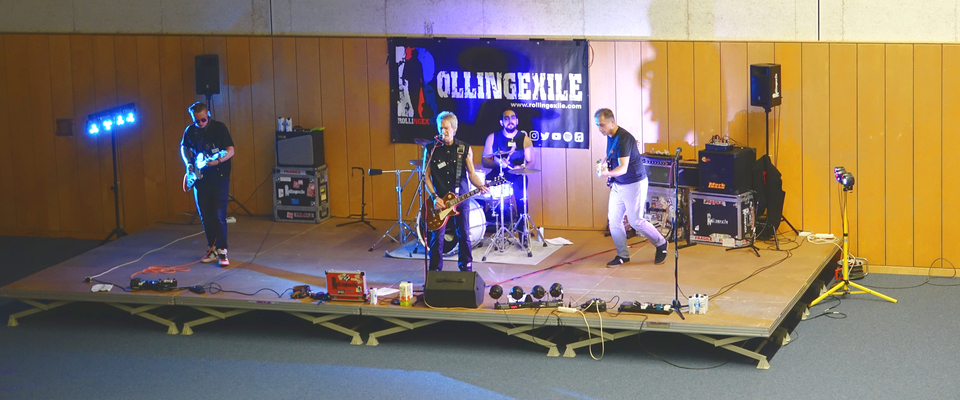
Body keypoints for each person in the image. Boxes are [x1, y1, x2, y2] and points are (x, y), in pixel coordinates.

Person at [594, 108, 668, 266]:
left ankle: (661, 243)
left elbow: (623, 168)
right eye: (597, 125)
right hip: (618, 184)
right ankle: (623, 255)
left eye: (602, 125)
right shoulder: (610, 136)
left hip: (634, 183)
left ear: (612, 121)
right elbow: (614, 159)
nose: (600, 129)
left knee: (636, 221)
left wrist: (607, 173)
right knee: (614, 221)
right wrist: (606, 167)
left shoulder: (624, 138)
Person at [423, 111, 488, 271]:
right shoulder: (431, 148)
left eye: (446, 128)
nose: (442, 131)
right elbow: (426, 176)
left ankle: (466, 269)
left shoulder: (464, 148)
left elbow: (471, 173)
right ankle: (435, 272)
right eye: (440, 128)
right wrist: (434, 197)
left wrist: (481, 186)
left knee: (464, 234)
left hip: (461, 198)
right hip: (439, 201)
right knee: (436, 238)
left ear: (454, 129)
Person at [180, 102, 235, 267]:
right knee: (205, 214)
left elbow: (231, 150)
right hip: (200, 178)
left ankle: (222, 250)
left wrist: (217, 160)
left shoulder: (219, 128)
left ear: (208, 115)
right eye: (197, 121)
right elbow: (183, 147)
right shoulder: (190, 131)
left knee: (219, 214)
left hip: (219, 176)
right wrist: (188, 163)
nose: (201, 123)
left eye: (203, 120)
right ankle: (211, 248)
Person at [481, 108, 535, 222]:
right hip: (498, 173)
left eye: (513, 118)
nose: (510, 121)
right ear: (502, 122)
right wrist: (498, 163)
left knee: (522, 198)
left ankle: (522, 231)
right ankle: (483, 223)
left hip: (517, 175)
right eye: (507, 118)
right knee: (481, 187)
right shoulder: (492, 137)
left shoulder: (525, 139)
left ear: (517, 121)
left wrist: (522, 168)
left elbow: (531, 162)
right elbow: (485, 161)